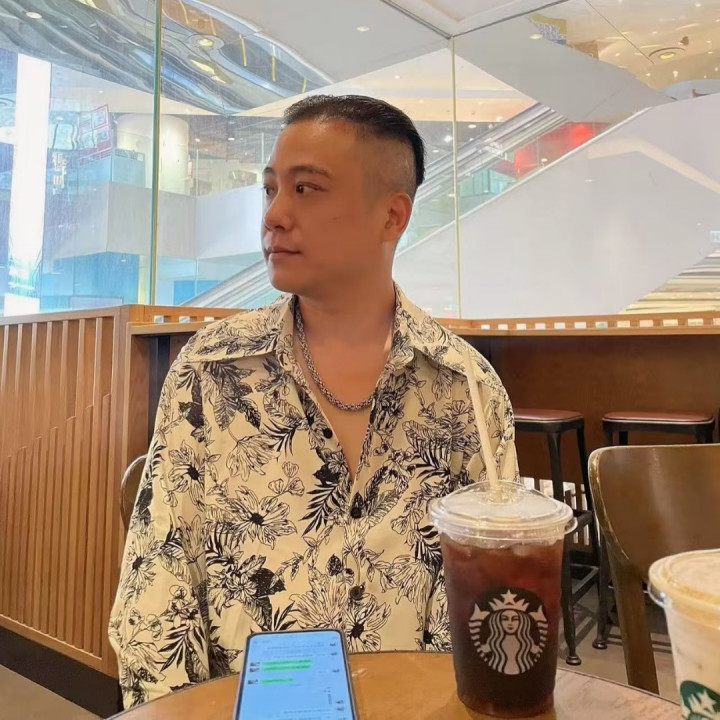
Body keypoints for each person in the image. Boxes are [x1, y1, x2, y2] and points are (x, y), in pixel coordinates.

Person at [109, 94, 519, 707]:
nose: (274, 215)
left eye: (306, 189)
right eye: (271, 189)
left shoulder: (466, 389)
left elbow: (487, 603)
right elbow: (155, 600)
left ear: (392, 216)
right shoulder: (212, 372)